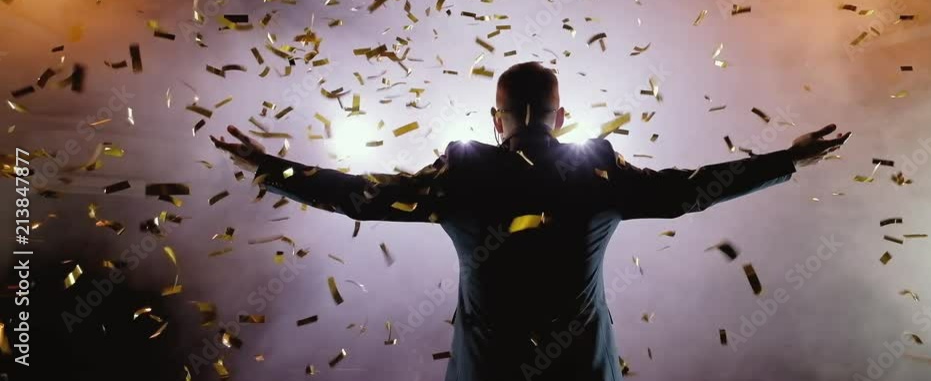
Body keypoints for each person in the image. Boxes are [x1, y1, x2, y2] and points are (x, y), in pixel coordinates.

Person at [212, 61, 849, 381]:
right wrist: (785, 160)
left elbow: (363, 195)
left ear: (496, 118)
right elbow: (691, 192)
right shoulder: (597, 168)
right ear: (561, 116)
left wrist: (269, 167)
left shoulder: (461, 172)